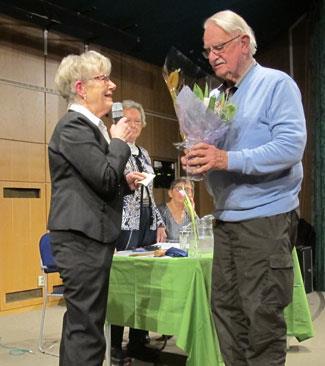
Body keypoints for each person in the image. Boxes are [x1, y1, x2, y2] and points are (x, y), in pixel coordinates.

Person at [182, 10, 306, 366]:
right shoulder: (217, 98)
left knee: (261, 319)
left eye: (218, 47)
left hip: (265, 221)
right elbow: (216, 157)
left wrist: (225, 160)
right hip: (226, 221)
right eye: (207, 51)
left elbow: (290, 147)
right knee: (227, 316)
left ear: (244, 43)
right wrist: (200, 162)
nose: (212, 56)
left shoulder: (276, 84)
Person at [47, 50, 144, 366]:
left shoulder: (90, 128)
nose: (112, 85)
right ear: (80, 88)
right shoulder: (74, 127)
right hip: (80, 240)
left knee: (83, 324)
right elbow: (103, 178)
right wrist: (119, 144)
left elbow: (99, 179)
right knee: (87, 329)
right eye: (103, 78)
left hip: (90, 238)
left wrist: (123, 180)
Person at [111, 99, 166, 364]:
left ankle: (137, 340)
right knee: (123, 283)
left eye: (137, 121)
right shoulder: (115, 148)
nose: (132, 125)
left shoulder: (143, 152)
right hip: (124, 222)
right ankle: (114, 345)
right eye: (127, 120)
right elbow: (110, 185)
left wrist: (159, 223)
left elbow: (151, 195)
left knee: (144, 283)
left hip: (145, 220)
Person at [158, 177, 195, 242]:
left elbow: (198, 236)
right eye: (179, 188)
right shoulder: (160, 211)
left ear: (192, 195)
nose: (183, 192)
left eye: (187, 189)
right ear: (170, 193)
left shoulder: (190, 213)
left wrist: (192, 212)